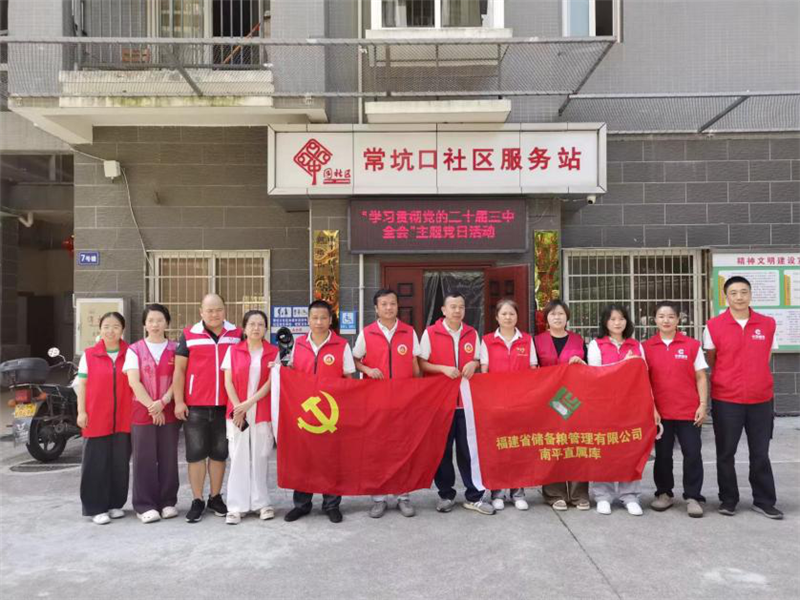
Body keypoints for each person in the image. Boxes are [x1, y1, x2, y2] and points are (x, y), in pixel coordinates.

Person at [704, 276, 782, 520]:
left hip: (761, 399)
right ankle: (728, 499)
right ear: (726, 297)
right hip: (727, 398)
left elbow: (766, 356)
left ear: (750, 294)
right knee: (725, 453)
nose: (739, 297)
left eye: (744, 292)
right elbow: (712, 358)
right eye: (734, 293)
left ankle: (764, 500)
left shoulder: (767, 324)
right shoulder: (714, 325)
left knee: (760, 452)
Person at [420, 292, 495, 516]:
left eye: (461, 306)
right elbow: (421, 363)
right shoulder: (430, 333)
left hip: (467, 403)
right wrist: (442, 369)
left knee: (468, 449)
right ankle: (446, 495)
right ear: (443, 310)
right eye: (452, 306)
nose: (457, 310)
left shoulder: (472, 333)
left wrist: (474, 363)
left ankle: (474, 496)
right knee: (442, 451)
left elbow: (479, 359)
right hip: (440, 403)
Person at [284, 300, 356, 524]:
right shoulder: (299, 344)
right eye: (314, 318)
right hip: (304, 412)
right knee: (303, 458)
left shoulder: (341, 345)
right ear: (308, 320)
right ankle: (301, 504)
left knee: (330, 459)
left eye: (323, 318)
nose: (319, 322)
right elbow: (291, 373)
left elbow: (348, 379)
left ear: (330, 320)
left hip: (332, 413)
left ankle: (331, 504)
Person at [173, 294, 242, 523]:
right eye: (209, 310)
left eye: (218, 309)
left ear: (225, 310)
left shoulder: (236, 334)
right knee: (195, 455)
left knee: (219, 454)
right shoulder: (189, 335)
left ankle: (215, 497)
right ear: (201, 311)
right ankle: (197, 500)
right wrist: (179, 401)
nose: (214, 314)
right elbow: (179, 370)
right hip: (195, 406)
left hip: (225, 406)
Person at [353, 289, 422, 519]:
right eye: (384, 304)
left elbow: (415, 365)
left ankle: (403, 496)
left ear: (397, 306)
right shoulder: (367, 333)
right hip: (376, 402)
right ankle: (379, 498)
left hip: (404, 402)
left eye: (392, 303)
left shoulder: (409, 332)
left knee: (403, 448)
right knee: (378, 450)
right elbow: (354, 359)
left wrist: (417, 391)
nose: (389, 308)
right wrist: (367, 369)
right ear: (376, 308)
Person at [586, 303, 656, 516]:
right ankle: (603, 495)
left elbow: (643, 376)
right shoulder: (596, 345)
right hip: (604, 405)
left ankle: (630, 495)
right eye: (612, 319)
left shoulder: (636, 345)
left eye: (621, 318)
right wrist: (624, 365)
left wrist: (651, 406)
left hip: (631, 406)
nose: (617, 323)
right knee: (604, 449)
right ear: (605, 322)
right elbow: (596, 374)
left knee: (630, 450)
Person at [643, 301, 708, 518]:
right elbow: (643, 381)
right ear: (655, 320)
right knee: (663, 455)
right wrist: (651, 408)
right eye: (661, 316)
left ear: (678, 320)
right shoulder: (646, 347)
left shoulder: (692, 345)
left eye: (671, 316)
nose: (666, 320)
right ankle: (664, 493)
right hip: (660, 413)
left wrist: (702, 405)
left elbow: (701, 376)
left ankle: (693, 496)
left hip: (688, 410)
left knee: (692, 453)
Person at [221, 310, 279, 525]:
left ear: (266, 328)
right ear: (244, 328)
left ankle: (261, 503)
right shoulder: (233, 351)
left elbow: (271, 383)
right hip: (237, 412)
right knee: (237, 456)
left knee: (260, 456)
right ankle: (236, 506)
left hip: (261, 410)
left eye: (260, 324)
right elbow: (228, 382)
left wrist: (248, 404)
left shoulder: (273, 352)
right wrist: (239, 407)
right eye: (252, 324)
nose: (256, 328)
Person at [123, 304, 180, 524]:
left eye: (160, 320)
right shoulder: (134, 350)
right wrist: (152, 407)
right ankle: (144, 505)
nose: (155, 325)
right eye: (151, 321)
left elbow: (179, 378)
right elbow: (134, 381)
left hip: (169, 408)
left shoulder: (176, 348)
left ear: (167, 323)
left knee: (168, 457)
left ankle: (167, 502)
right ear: (144, 324)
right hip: (142, 410)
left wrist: (163, 402)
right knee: (144, 458)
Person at [479, 298, 537, 512]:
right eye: (504, 314)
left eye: (512, 313)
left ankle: (518, 492)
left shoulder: (527, 340)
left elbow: (533, 370)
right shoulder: (487, 341)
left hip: (521, 404)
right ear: (497, 317)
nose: (508, 317)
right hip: (497, 405)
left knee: (518, 447)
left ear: (517, 317)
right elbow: (484, 373)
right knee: (497, 448)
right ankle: (497, 492)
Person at [76, 312, 132, 525]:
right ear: (100, 329)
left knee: (120, 463)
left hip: (123, 418)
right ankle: (95, 507)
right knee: (95, 464)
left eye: (116, 326)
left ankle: (115, 504)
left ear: (122, 330)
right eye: (106, 326)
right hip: (96, 417)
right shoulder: (89, 355)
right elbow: (82, 385)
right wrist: (81, 411)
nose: (111, 331)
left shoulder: (130, 353)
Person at [534, 299, 590, 512]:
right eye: (552, 314)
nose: (557, 317)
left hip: (573, 399)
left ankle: (579, 494)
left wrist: (581, 364)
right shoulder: (536, 341)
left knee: (576, 444)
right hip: (547, 400)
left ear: (567, 317)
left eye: (561, 314)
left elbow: (590, 369)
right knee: (552, 445)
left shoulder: (578, 340)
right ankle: (554, 493)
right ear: (546, 318)